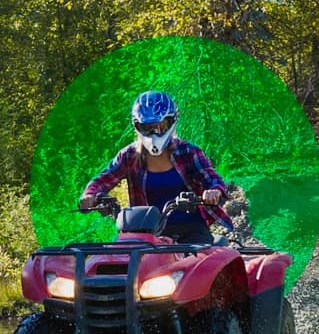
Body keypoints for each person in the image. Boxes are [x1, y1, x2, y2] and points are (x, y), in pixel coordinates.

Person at [78, 90, 230, 244]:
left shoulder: (189, 152)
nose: (154, 133)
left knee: (198, 258)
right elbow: (103, 179)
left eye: (161, 126)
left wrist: (214, 191)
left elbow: (210, 176)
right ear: (137, 126)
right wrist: (90, 195)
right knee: (120, 256)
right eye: (147, 127)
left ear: (172, 122)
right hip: (145, 231)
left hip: (190, 229)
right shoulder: (129, 155)